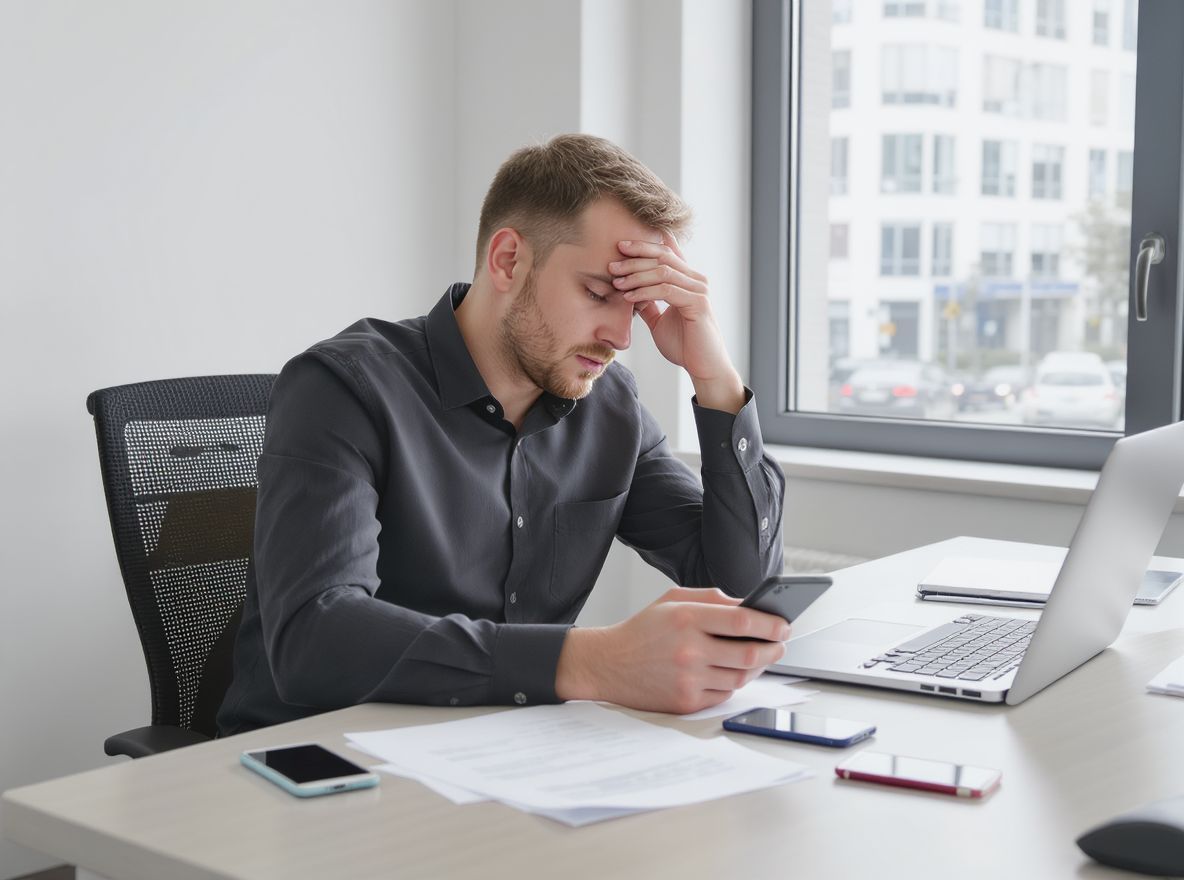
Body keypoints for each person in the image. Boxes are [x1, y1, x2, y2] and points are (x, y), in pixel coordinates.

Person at [217, 134, 788, 735]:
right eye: (598, 293)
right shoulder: (342, 389)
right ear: (508, 260)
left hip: (506, 754)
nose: (621, 337)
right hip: (319, 757)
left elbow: (738, 585)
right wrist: (593, 661)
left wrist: (715, 378)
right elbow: (315, 638)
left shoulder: (609, 406)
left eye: (638, 306)